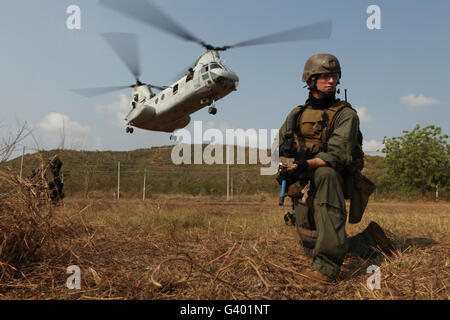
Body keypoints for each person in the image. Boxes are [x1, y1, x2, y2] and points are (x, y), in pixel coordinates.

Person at [277, 53, 394, 284]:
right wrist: (286, 169)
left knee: (325, 172)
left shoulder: (346, 114)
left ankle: (327, 268)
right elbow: (283, 147)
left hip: (336, 178)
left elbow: (338, 154)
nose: (331, 81)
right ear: (310, 80)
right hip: (304, 179)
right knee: (310, 246)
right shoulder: (296, 115)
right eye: (324, 76)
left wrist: (307, 164)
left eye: (334, 76)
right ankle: (370, 240)